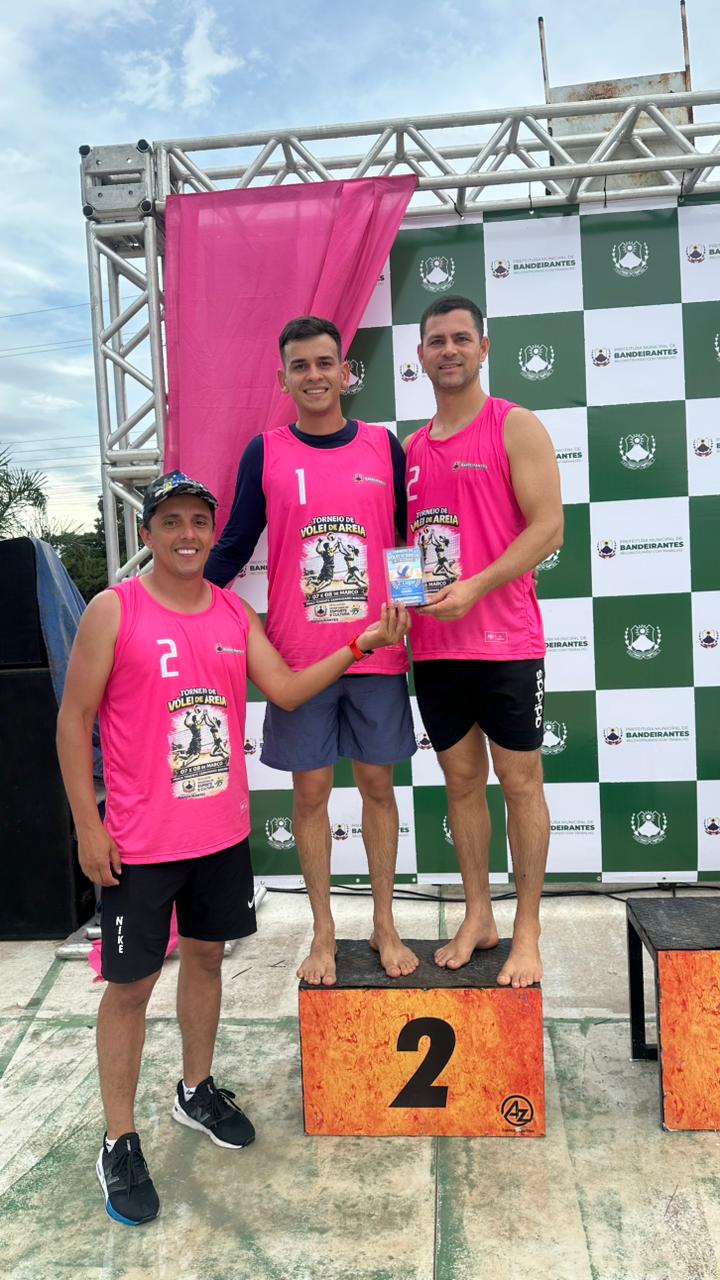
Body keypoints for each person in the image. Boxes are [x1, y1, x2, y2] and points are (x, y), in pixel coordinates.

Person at [57, 470, 408, 1227]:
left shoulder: (231, 611)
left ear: (213, 533)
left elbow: (287, 690)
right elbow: (72, 718)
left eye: (198, 522)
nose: (187, 535)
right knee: (130, 988)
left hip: (220, 836)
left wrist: (361, 643)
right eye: (171, 522)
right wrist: (88, 824)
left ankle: (195, 1090)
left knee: (208, 961)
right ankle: (118, 1139)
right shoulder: (114, 610)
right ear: (148, 533)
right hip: (140, 843)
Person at [205, 316, 419, 988]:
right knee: (312, 793)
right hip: (299, 658)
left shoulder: (384, 446)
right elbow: (236, 543)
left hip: (377, 651)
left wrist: (409, 606)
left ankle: (384, 922)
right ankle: (323, 931)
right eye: (301, 366)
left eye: (326, 363)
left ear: (345, 372)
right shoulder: (265, 452)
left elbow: (406, 536)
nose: (315, 375)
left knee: (378, 786)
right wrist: (172, 599)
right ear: (283, 379)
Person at [405, 295, 563, 988]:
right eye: (437, 340)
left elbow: (548, 528)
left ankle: (526, 930)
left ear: (483, 348)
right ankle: (479, 915)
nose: (449, 350)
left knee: (521, 784)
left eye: (461, 338)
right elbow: (409, 546)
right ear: (420, 355)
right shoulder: (412, 450)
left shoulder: (514, 426)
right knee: (462, 784)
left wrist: (475, 586)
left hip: (507, 643)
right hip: (437, 650)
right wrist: (404, 601)